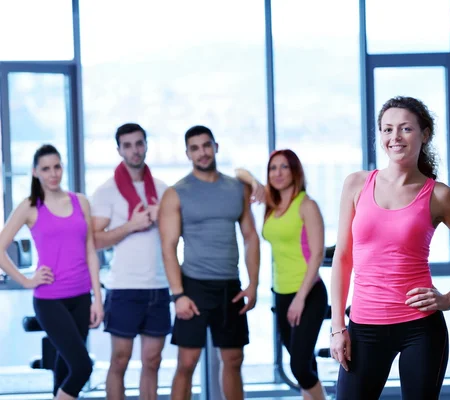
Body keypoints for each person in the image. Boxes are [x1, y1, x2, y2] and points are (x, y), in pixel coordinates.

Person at [329, 96, 450, 400]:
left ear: (425, 134)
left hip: (420, 329)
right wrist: (337, 327)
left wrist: (448, 299)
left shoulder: (440, 196)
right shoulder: (356, 184)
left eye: (405, 129)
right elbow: (342, 259)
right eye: (387, 129)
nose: (395, 137)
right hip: (364, 328)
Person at [159, 125, 260, 400]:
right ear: (187, 153)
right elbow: (168, 247)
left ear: (216, 147)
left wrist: (253, 284)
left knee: (234, 359)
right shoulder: (176, 193)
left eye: (206, 145)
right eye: (195, 148)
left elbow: (251, 237)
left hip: (231, 286)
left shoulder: (236, 189)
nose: (201, 152)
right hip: (194, 286)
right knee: (187, 362)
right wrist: (178, 295)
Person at [0, 144, 103, 400]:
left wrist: (97, 299)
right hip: (50, 300)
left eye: (57, 167)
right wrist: (26, 280)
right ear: (36, 172)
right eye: (46, 169)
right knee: (82, 367)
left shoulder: (81, 202)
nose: (53, 173)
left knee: (65, 368)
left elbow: (90, 250)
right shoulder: (30, 206)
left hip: (81, 297)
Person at [236, 150, 329, 400]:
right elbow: (239, 172)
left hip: (308, 294)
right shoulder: (272, 202)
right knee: (305, 362)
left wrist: (300, 298)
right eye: (272, 168)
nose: (277, 173)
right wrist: (255, 183)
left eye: (284, 167)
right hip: (281, 294)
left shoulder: (306, 205)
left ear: (295, 171)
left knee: (298, 366)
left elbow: (318, 254)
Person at [91, 123, 171, 400]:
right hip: (124, 287)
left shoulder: (163, 191)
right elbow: (95, 240)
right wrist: (131, 224)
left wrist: (163, 218)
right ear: (119, 150)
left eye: (139, 143)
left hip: (158, 286)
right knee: (120, 360)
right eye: (128, 145)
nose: (135, 150)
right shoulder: (106, 191)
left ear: (146, 145)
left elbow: (179, 235)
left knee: (153, 361)